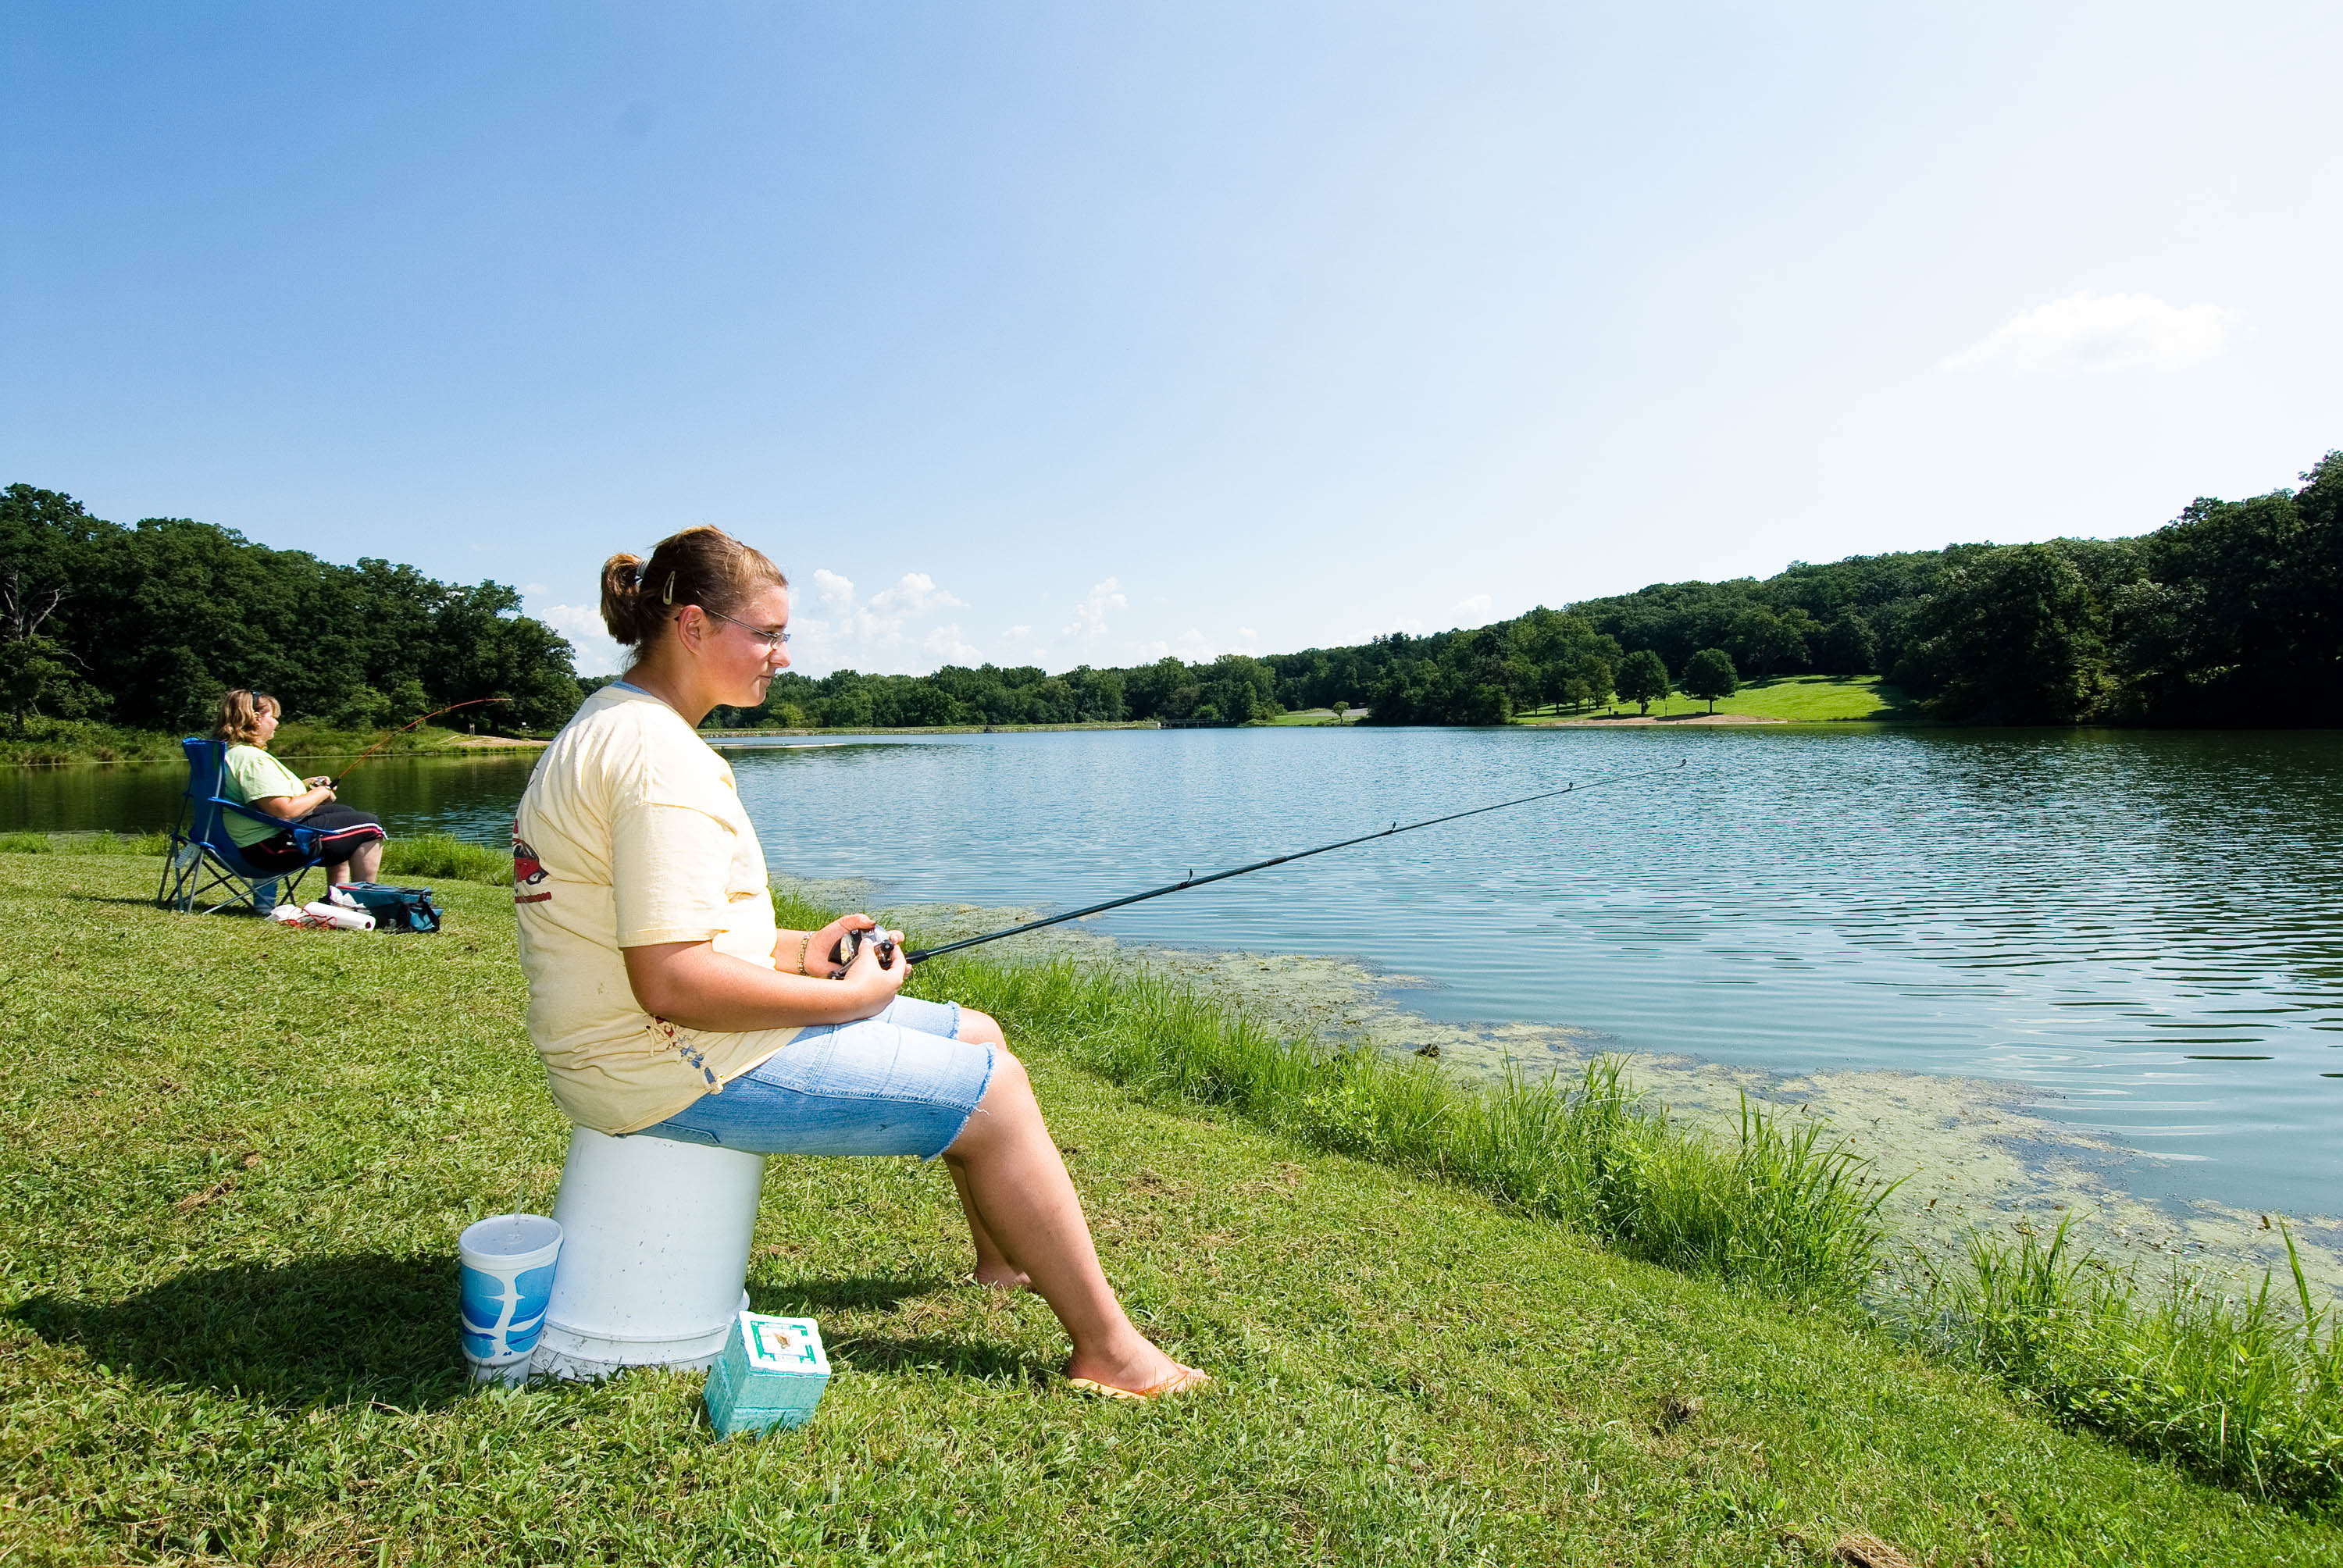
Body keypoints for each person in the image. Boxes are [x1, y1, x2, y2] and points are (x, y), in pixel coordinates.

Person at [512, 526, 1204, 1402]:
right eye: (765, 634)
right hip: (662, 1062)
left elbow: (688, 930)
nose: (784, 655)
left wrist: (809, 953)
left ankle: (1004, 1261)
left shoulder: (616, 724)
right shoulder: (661, 763)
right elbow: (672, 981)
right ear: (691, 626)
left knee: (979, 1032)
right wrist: (848, 1001)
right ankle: (1110, 1350)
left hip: (637, 1040)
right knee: (996, 1090)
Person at [213, 690, 387, 886]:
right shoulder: (252, 759)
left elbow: (258, 795)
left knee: (345, 814)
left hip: (244, 842)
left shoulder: (230, 753)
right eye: (273, 717)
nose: (277, 723)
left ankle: (339, 898)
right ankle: (364, 900)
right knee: (371, 826)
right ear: (256, 719)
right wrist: (322, 792)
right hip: (267, 850)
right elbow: (285, 811)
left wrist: (304, 786)